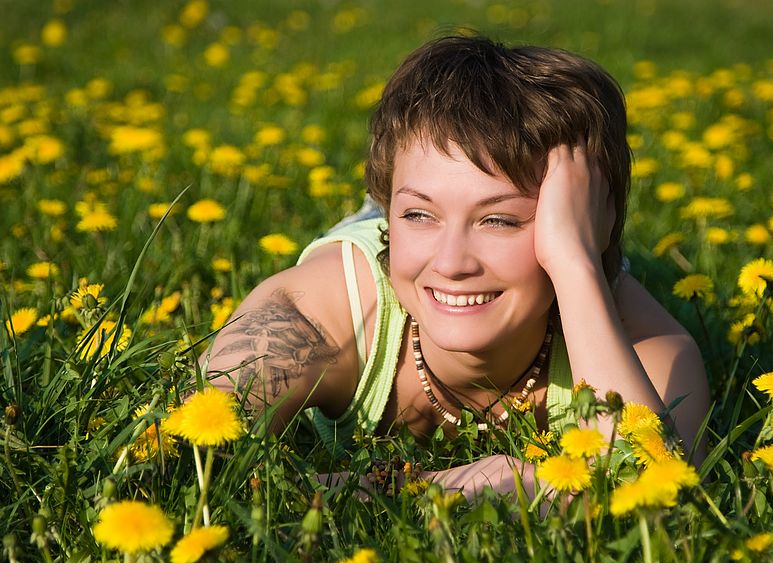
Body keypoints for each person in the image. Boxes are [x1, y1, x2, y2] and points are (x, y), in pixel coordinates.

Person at [200, 35, 711, 501]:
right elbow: (193, 458)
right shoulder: (318, 315)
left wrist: (576, 262)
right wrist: (424, 488)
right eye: (418, 214)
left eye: (500, 219)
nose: (450, 263)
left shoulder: (644, 342)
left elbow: (656, 493)